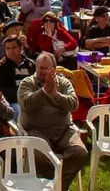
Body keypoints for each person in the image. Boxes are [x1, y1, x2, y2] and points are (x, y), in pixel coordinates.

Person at [17, 52, 88, 190]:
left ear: (54, 69)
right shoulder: (27, 83)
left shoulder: (64, 83)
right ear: (36, 68)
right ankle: (56, 183)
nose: (43, 72)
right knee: (38, 155)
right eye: (41, 68)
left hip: (64, 130)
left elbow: (73, 104)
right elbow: (27, 103)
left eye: (47, 68)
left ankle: (57, 186)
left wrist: (55, 94)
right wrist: (45, 90)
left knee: (80, 152)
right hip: (36, 130)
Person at [0, 35, 35, 119]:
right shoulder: (0, 67)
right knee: (20, 112)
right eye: (8, 49)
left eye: (14, 48)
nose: (10, 51)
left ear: (21, 48)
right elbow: (0, 89)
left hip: (33, 99)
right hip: (13, 102)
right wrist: (21, 96)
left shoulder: (31, 64)